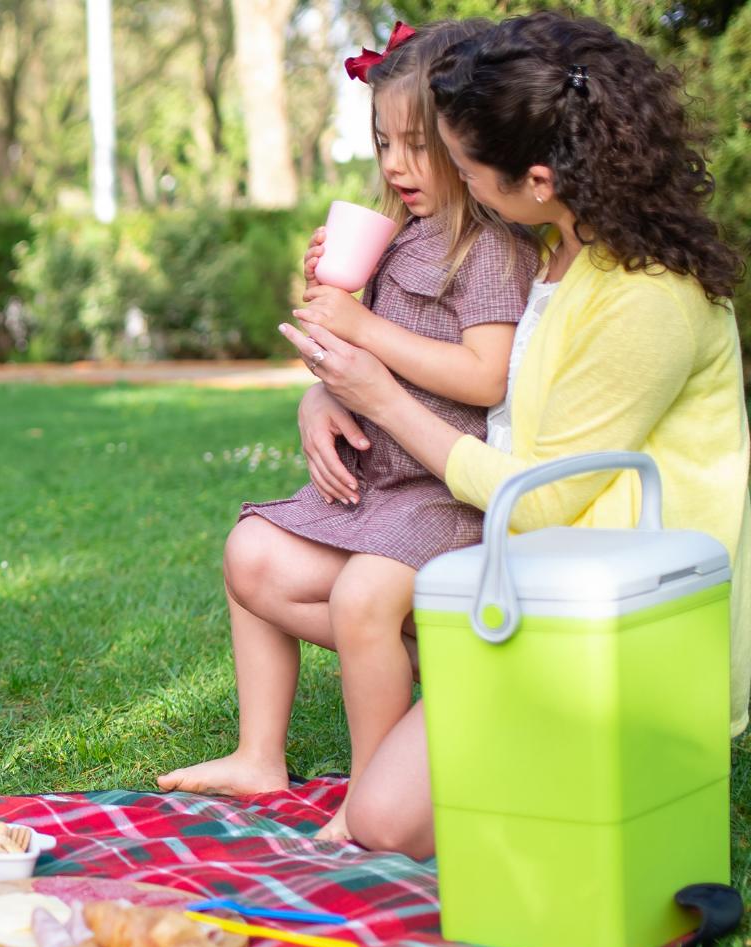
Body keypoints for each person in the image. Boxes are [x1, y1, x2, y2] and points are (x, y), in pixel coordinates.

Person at [284, 10, 750, 858]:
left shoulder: (647, 299)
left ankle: (551, 752)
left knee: (385, 823)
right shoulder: (558, 248)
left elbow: (539, 502)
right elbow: (474, 394)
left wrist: (383, 399)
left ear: (538, 179)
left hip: (628, 632)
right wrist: (329, 395)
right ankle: (486, 723)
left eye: (466, 167)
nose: (450, 182)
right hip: (537, 585)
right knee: (298, 583)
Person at [158, 20, 540, 843]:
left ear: (464, 140)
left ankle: (371, 793)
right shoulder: (392, 237)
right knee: (250, 552)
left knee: (366, 597)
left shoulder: (490, 250)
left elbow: (485, 375)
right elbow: (352, 365)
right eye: (383, 143)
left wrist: (364, 329)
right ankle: (260, 752)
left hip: (447, 492)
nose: (396, 165)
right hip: (380, 486)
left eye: (416, 145)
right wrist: (323, 363)